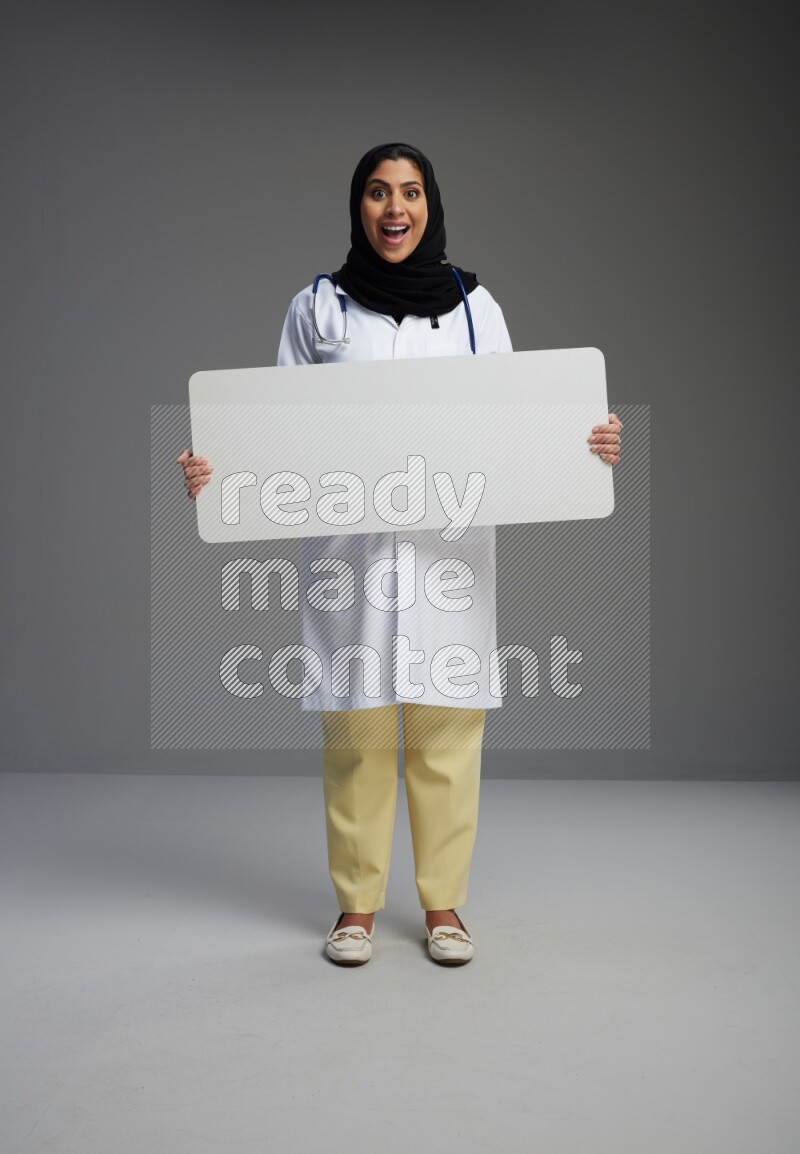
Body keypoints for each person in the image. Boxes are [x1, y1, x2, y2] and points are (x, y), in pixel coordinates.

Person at [177, 142, 623, 967]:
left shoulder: (474, 310)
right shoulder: (317, 311)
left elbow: (521, 420)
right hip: (350, 559)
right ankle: (356, 909)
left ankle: (444, 906)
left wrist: (583, 441)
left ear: (430, 204)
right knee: (357, 735)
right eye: (378, 193)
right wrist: (217, 468)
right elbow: (272, 433)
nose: (394, 209)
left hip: (448, 555)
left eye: (410, 193)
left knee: (448, 733)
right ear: (358, 206)